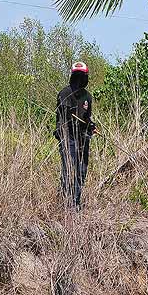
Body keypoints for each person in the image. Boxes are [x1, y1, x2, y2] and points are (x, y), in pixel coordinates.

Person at [54, 61, 96, 209]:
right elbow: (63, 117)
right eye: (77, 76)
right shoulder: (64, 93)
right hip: (67, 137)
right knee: (69, 169)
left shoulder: (87, 97)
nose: (79, 79)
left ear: (85, 77)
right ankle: (65, 203)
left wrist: (90, 125)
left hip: (83, 138)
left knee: (82, 169)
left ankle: (76, 202)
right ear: (73, 76)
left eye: (82, 76)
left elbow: (87, 117)